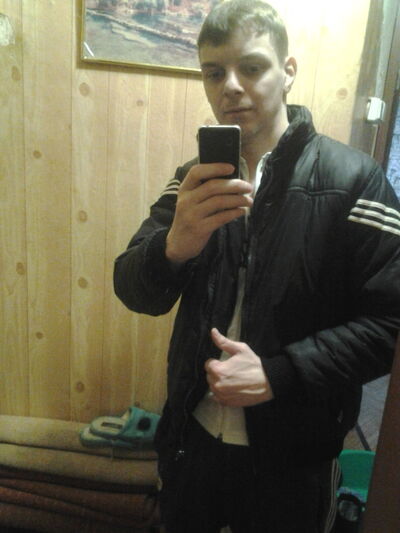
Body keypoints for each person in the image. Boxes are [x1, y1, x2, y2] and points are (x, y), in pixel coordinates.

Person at [113, 1, 400, 532]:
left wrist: (279, 373)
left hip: (293, 459)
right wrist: (174, 246)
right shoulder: (194, 181)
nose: (230, 87)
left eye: (251, 67)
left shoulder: (355, 182)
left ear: (287, 71)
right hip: (192, 443)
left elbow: (389, 325)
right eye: (214, 72)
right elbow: (133, 290)